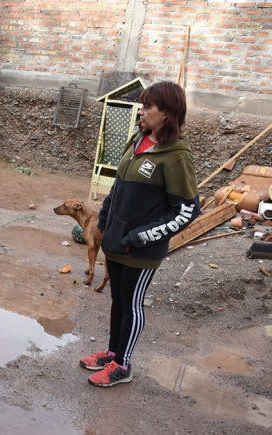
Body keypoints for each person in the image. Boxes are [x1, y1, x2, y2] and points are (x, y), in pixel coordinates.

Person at [80, 81, 200, 387]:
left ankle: (123, 365)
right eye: (141, 105)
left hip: (141, 251)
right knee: (118, 301)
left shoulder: (176, 157)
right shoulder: (138, 140)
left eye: (148, 107)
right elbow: (117, 187)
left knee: (131, 304)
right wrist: (105, 222)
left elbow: (186, 211)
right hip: (116, 243)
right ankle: (112, 353)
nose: (141, 111)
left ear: (167, 113)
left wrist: (138, 238)